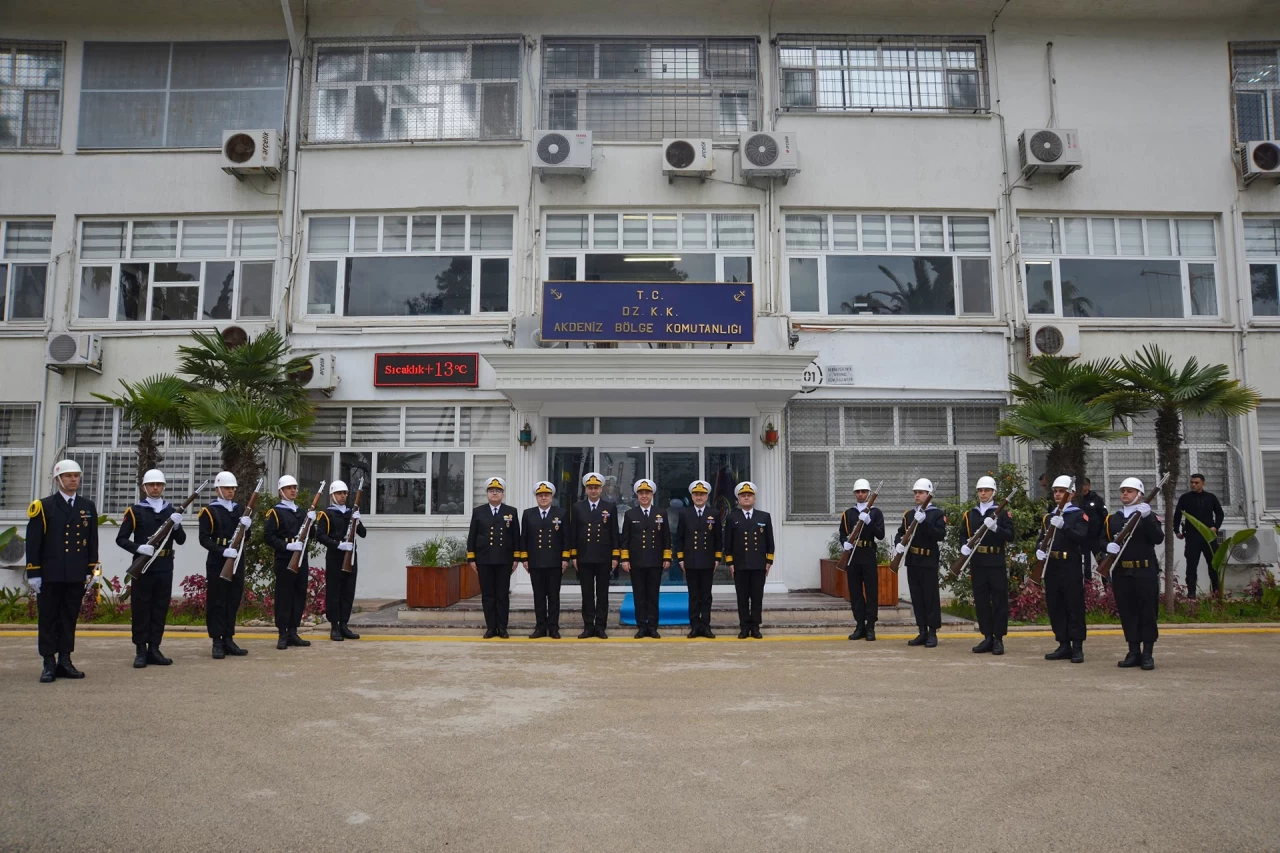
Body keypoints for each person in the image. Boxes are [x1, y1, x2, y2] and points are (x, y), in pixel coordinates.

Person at [25, 459, 99, 683]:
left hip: (75, 572)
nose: (73, 479)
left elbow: (92, 540)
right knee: (48, 618)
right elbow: (34, 542)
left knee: (69, 617)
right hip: (50, 573)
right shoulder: (44, 506)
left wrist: (91, 569)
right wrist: (34, 572)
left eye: (76, 476)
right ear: (58, 479)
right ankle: (49, 662)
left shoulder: (87, 506)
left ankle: (65, 661)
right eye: (68, 476)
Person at [116, 468, 185, 668]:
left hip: (165, 565)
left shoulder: (171, 511)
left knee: (160, 607)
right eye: (151, 485)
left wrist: (177, 526)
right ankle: (140, 650)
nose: (155, 488)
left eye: (159, 484)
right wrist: (138, 548)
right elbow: (121, 538)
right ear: (144, 487)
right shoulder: (135, 511)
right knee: (141, 607)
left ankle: (154, 648)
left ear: (163, 487)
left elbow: (181, 540)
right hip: (143, 566)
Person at [1105, 477, 1164, 671]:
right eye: (1123, 490)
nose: (1125, 493)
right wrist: (1106, 547)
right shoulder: (1113, 518)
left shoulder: (1149, 516)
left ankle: (1147, 653)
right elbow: (1100, 539)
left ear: (1139, 495)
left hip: (1144, 571)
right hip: (1122, 572)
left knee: (1147, 612)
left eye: (1129, 491)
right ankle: (1133, 652)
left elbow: (1158, 538)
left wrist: (1147, 518)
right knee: (1127, 612)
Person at [1037, 475, 1091, 664]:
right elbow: (1042, 538)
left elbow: (1081, 537)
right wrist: (1039, 550)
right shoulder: (1049, 516)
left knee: (1073, 605)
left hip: (1070, 565)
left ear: (1072, 494)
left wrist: (1064, 526)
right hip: (1052, 566)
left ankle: (1077, 646)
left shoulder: (1078, 515)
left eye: (1062, 491)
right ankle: (1063, 643)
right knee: (1056, 605)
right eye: (1055, 491)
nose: (1058, 494)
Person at [958, 476, 1014, 655]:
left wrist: (996, 528)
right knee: (981, 600)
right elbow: (963, 534)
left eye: (986, 490)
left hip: (995, 560)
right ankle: (987, 636)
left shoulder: (1002, 513)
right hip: (978, 562)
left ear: (993, 492)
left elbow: (1010, 535)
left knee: (999, 600)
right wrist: (964, 546)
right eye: (980, 490)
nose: (983, 493)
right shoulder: (970, 514)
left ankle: (998, 638)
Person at [198, 471, 250, 660]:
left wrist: (247, 526)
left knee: (233, 599)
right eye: (227, 488)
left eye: (233, 488)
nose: (231, 491)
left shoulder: (239, 509)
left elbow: (246, 538)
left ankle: (229, 638)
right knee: (217, 600)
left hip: (236, 558)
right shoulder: (209, 511)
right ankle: (217, 641)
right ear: (218, 489)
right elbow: (204, 539)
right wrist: (222, 551)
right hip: (218, 560)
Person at [894, 478, 948, 648]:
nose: (917, 495)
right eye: (915, 493)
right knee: (917, 597)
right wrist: (898, 544)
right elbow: (901, 532)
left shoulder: (936, 514)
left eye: (921, 493)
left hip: (928, 560)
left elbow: (940, 535)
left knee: (930, 597)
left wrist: (924, 523)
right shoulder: (909, 514)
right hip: (913, 560)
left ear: (928, 494)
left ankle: (932, 632)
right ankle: (922, 631)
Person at [263, 475, 313, 651]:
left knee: (299, 594)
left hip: (301, 558)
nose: (293, 490)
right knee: (284, 596)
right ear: (281, 491)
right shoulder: (276, 512)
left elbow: (312, 535)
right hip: (285, 559)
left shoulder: (301, 512)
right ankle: (282, 633)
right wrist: (287, 546)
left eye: (294, 488)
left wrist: (312, 521)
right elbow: (268, 536)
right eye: (289, 488)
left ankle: (293, 631)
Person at [466, 477, 520, 639]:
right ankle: (491, 627)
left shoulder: (511, 511)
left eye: (498, 491)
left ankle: (502, 628)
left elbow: (516, 536)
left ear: (503, 494)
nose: (494, 493)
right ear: (487, 494)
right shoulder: (478, 511)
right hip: (484, 560)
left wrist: (516, 558)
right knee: (488, 595)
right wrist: (471, 558)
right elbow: (472, 536)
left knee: (502, 595)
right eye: (491, 491)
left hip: (504, 560)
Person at [569, 472, 619, 639]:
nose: (593, 490)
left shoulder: (609, 507)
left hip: (604, 557)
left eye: (596, 487)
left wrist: (615, 556)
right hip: (584, 557)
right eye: (590, 487)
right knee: (587, 594)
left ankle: (601, 627)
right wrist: (574, 556)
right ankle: (588, 626)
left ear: (601, 489)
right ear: (586, 489)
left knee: (602, 594)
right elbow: (574, 533)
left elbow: (614, 533)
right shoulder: (578, 507)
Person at [723, 481, 774, 639]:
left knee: (757, 597)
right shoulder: (732, 517)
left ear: (754, 499)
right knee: (742, 597)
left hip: (758, 564)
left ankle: (755, 627)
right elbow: (728, 543)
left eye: (749, 495)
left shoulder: (764, 516)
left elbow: (770, 541)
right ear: (738, 499)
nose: (746, 498)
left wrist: (769, 562)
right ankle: (744, 627)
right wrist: (730, 563)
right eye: (743, 496)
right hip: (740, 564)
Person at [316, 480, 365, 642]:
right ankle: (334, 626)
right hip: (335, 558)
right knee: (334, 592)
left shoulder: (351, 512)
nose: (343, 496)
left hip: (351, 557)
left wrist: (357, 520)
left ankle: (344, 624)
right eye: (339, 493)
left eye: (344, 493)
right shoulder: (326, 514)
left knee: (348, 592)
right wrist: (338, 545)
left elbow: (363, 533)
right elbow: (320, 535)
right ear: (332, 496)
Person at [621, 478, 671, 639]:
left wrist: (667, 557)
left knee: (653, 595)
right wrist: (625, 559)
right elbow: (625, 539)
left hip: (655, 561)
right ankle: (642, 626)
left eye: (647, 493)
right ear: (637, 495)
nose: (644, 496)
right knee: (639, 595)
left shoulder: (661, 513)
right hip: (636, 562)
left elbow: (666, 537)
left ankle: (653, 626)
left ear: (652, 495)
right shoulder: (630, 514)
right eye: (641, 493)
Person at [520, 481, 569, 639]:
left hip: (555, 562)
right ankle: (540, 627)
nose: (543, 498)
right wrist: (524, 558)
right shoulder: (528, 514)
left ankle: (553, 627)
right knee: (539, 596)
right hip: (535, 561)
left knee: (554, 596)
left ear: (551, 497)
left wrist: (565, 558)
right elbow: (524, 537)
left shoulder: (561, 513)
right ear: (536, 497)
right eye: (540, 495)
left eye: (546, 495)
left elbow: (566, 538)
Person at [837, 478, 884, 642]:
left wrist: (869, 522)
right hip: (853, 556)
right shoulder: (848, 513)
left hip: (868, 554)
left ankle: (870, 626)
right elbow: (842, 533)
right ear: (854, 494)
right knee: (855, 593)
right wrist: (845, 543)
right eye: (858, 491)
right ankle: (859, 626)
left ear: (869, 493)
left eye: (864, 491)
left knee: (871, 592)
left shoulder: (876, 513)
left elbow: (880, 534)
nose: (861, 494)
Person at [676, 479, 720, 639]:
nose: (699, 497)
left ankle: (706, 626)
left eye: (702, 494)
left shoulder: (714, 514)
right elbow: (680, 538)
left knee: (706, 596)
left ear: (707, 496)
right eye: (696, 494)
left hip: (708, 561)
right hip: (691, 560)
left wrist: (717, 558)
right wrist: (681, 558)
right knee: (694, 595)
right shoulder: (685, 514)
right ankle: (695, 626)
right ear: (692, 496)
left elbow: (718, 538)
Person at [1173, 473, 1225, 598]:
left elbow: (1220, 513)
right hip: (1192, 537)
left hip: (1208, 537)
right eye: (1192, 482)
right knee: (1191, 565)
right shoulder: (1185, 498)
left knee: (1213, 565)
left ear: (1203, 483)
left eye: (1196, 483)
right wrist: (1177, 531)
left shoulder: (1210, 497)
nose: (1193, 485)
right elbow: (1177, 515)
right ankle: (1191, 594)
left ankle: (1216, 592)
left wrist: (1215, 527)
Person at [1076, 477, 1107, 583]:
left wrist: (1101, 534)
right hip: (1082, 538)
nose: (1083, 487)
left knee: (1102, 563)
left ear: (1089, 486)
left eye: (1085, 485)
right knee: (1085, 566)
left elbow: (1104, 516)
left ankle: (1108, 587)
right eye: (1081, 485)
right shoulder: (1077, 500)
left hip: (1095, 538)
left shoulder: (1097, 499)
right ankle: (1088, 587)